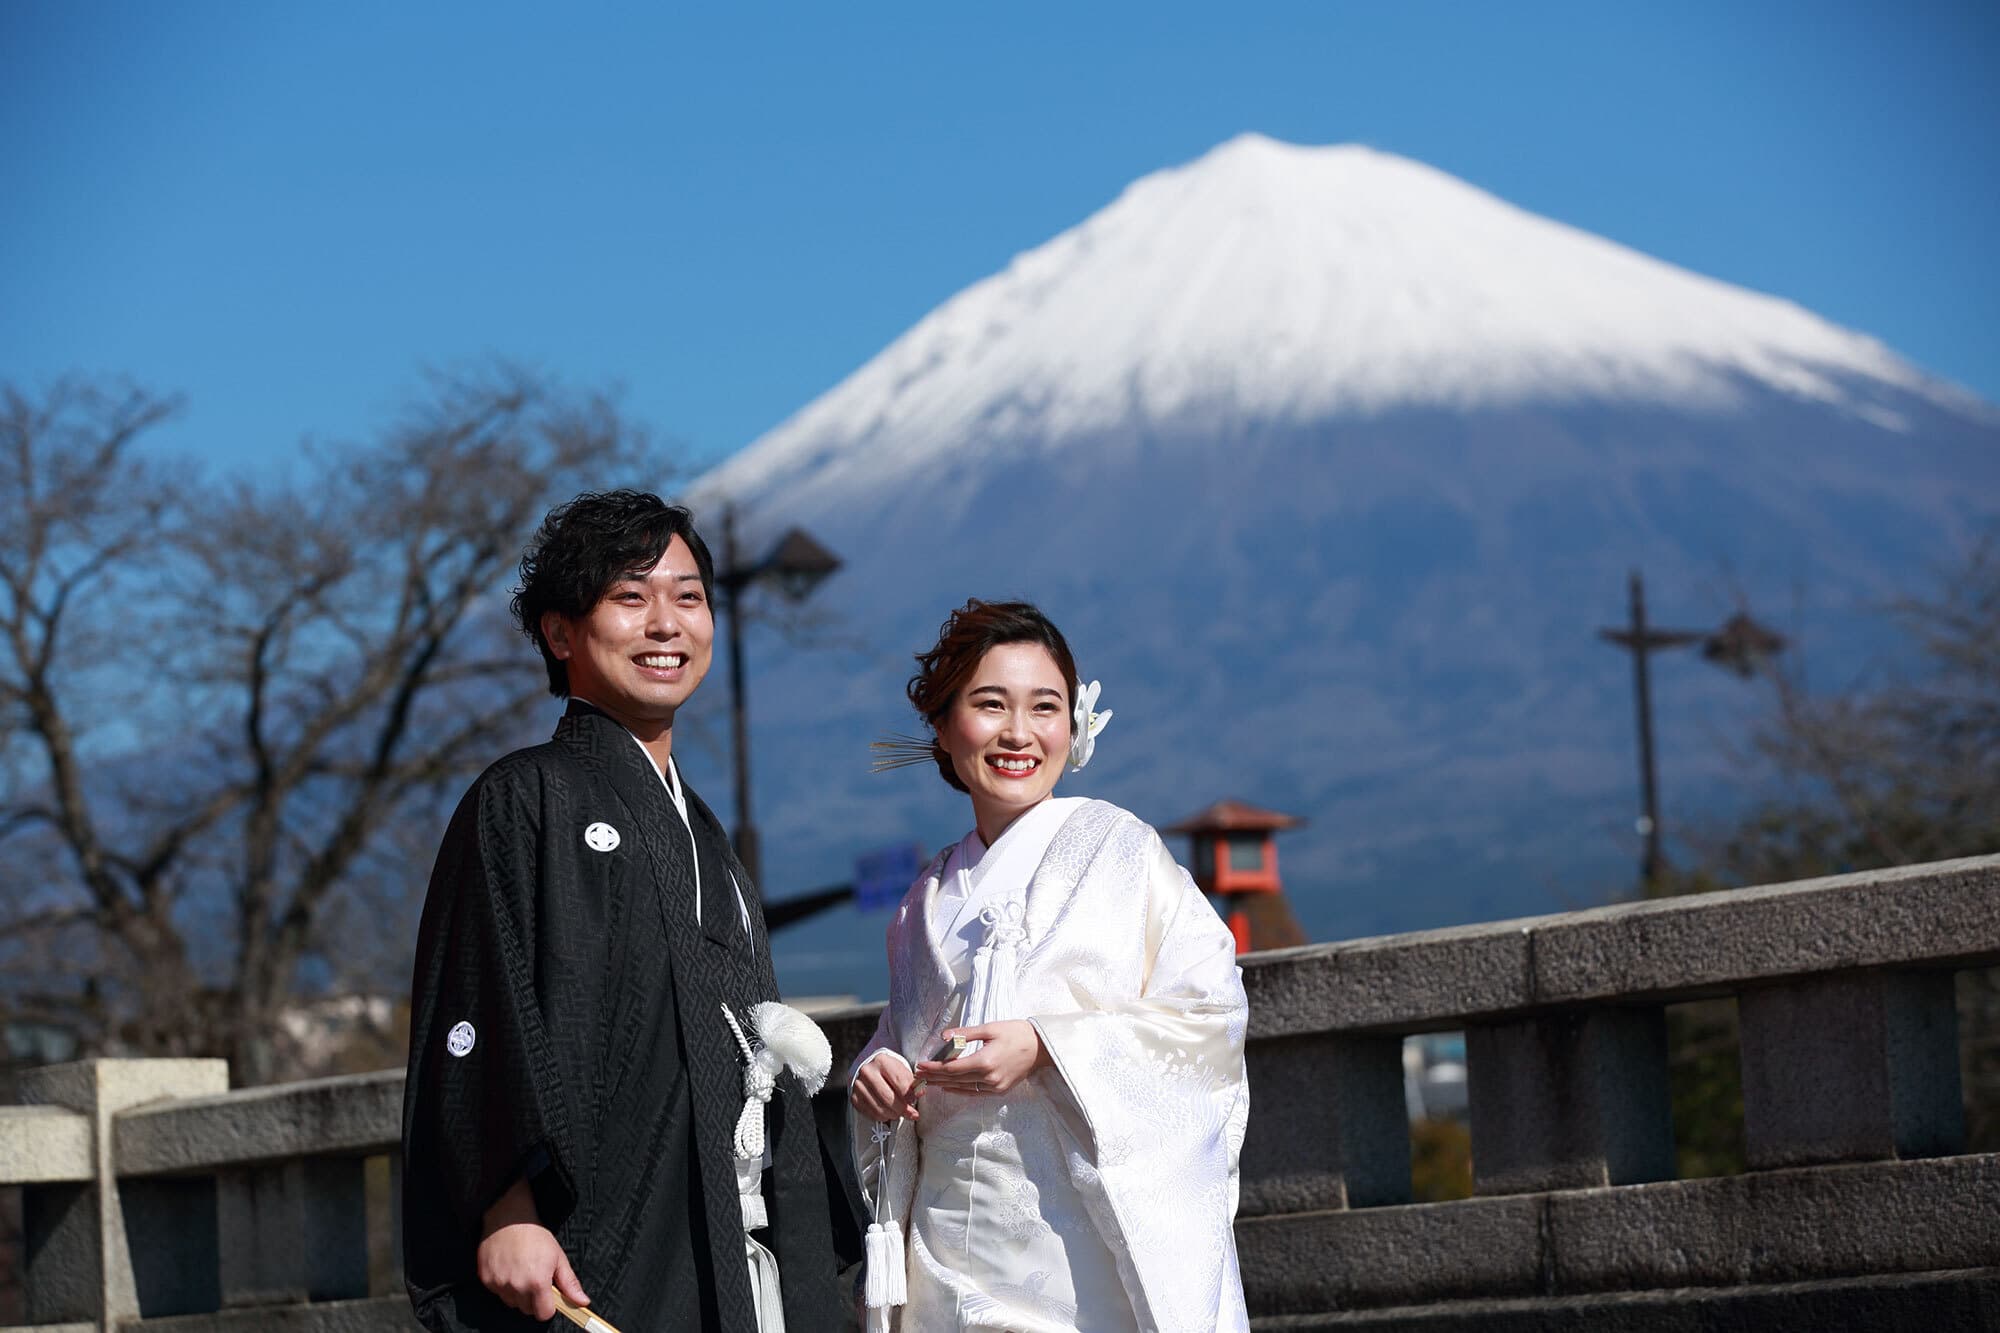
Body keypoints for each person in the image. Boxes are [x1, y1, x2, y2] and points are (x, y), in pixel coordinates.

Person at [402, 490, 851, 1333]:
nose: (666, 623)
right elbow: (476, 1004)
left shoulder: (706, 836)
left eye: (687, 596)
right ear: (559, 630)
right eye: (630, 596)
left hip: (732, 1240)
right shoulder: (524, 797)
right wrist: (509, 1210)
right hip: (605, 1241)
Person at [849, 600, 1250, 1332]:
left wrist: (1045, 1044)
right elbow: (900, 1035)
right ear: (943, 727)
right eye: (989, 704)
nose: (1019, 733)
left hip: (1078, 1260)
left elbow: (1208, 1015)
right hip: (946, 1255)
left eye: (1045, 707)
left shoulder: (1121, 852)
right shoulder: (922, 904)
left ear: (1077, 725)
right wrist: (877, 1070)